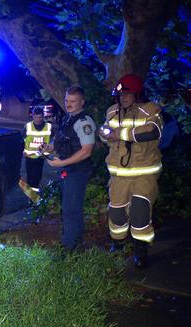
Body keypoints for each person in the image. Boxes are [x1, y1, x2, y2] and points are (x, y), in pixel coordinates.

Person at [99, 74, 163, 268]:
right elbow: (105, 133)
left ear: (137, 94)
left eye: (127, 94)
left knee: (140, 212)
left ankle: (140, 251)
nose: (123, 98)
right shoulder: (111, 111)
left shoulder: (150, 109)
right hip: (118, 175)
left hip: (144, 173)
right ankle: (117, 244)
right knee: (116, 213)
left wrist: (121, 134)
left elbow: (154, 132)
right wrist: (104, 135)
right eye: (120, 95)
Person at [40, 85, 96, 251]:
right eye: (66, 100)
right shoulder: (67, 118)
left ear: (82, 102)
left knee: (71, 209)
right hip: (68, 169)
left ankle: (69, 247)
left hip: (78, 171)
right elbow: (65, 143)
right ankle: (74, 243)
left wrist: (61, 163)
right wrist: (49, 148)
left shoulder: (84, 122)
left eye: (73, 101)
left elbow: (86, 151)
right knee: (69, 208)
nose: (68, 104)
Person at [22, 106, 54, 196]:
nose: (38, 119)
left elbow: (53, 139)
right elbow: (22, 139)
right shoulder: (28, 126)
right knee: (30, 177)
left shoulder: (48, 126)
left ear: (43, 116)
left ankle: (32, 198)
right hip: (29, 156)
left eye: (40, 117)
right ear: (32, 116)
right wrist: (22, 150)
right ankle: (31, 197)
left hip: (41, 156)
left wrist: (49, 147)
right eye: (36, 117)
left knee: (36, 177)